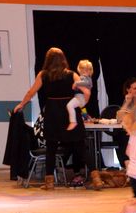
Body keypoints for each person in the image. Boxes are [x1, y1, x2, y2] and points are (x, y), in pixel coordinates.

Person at [14, 47, 100, 190]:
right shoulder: (72, 74)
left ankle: (49, 183)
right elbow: (86, 91)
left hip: (52, 113)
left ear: (47, 60)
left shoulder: (43, 75)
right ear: (63, 60)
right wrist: (82, 102)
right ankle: (96, 179)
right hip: (69, 112)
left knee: (51, 148)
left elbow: (31, 92)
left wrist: (21, 104)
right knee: (81, 146)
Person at [65, 59, 93, 129]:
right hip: (81, 97)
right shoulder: (86, 77)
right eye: (84, 70)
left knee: (69, 105)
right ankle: (86, 118)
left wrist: (76, 83)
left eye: (86, 70)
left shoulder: (84, 77)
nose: (85, 72)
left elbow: (87, 83)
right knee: (82, 108)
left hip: (80, 97)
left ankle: (73, 122)